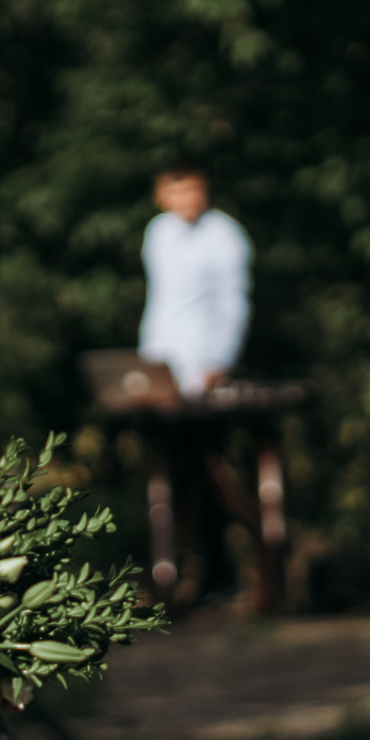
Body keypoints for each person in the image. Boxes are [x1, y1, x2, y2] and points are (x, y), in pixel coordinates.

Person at [138, 164, 250, 602]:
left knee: (207, 470)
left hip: (205, 367)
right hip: (164, 368)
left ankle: (217, 573)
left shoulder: (224, 235)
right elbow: (163, 303)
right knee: (169, 475)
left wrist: (219, 359)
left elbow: (233, 301)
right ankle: (176, 573)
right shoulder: (159, 233)